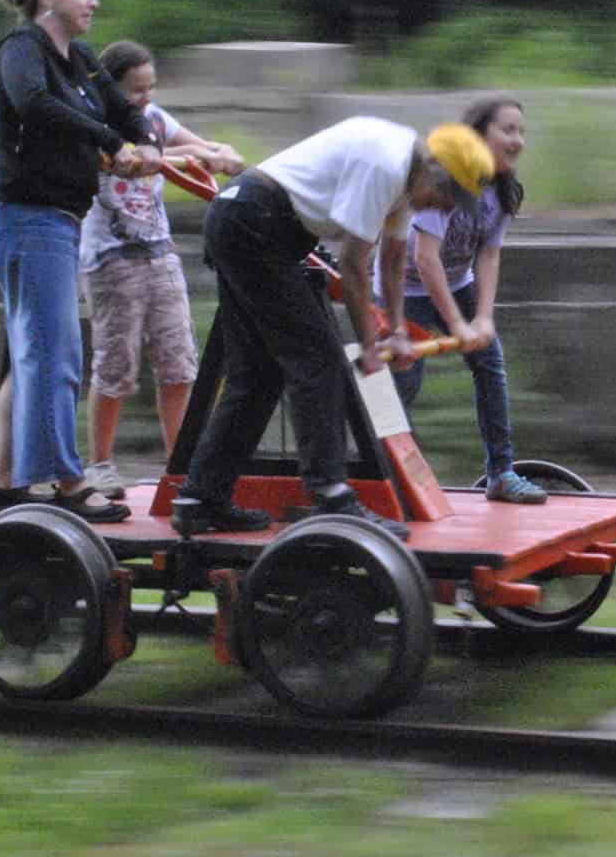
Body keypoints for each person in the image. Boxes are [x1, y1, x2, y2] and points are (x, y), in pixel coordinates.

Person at [169, 117, 495, 540]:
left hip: (247, 221)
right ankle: (332, 494)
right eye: (448, 198)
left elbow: (393, 260)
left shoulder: (405, 174)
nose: (444, 210)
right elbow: (355, 266)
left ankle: (200, 498)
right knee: (319, 362)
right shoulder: (385, 166)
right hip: (254, 223)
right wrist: (369, 345)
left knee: (257, 374)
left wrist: (394, 330)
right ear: (434, 172)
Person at [0, 0, 160, 523]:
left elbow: (124, 110)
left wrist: (142, 142)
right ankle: (67, 483)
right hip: (28, 217)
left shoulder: (81, 58)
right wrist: (112, 141)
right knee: (56, 352)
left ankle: (3, 486)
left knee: (29, 354)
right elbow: (35, 105)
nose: (94, 2)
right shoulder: (21, 52)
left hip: (59, 219)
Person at [77, 39, 245, 500]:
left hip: (159, 251)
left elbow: (193, 145)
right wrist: (198, 158)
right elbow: (137, 163)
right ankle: (101, 465)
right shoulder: (92, 123)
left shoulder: (154, 119)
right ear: (112, 88)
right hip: (112, 257)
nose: (145, 98)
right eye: (135, 90)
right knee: (116, 366)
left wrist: (221, 150)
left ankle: (182, 464)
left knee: (179, 363)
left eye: (150, 88)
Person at [380, 98, 545, 503]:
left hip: (458, 283)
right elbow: (424, 257)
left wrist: (483, 318)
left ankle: (501, 474)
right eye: (507, 130)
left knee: (490, 364)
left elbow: (489, 254)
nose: (517, 140)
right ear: (479, 134)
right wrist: (457, 324)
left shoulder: (502, 190)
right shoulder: (446, 179)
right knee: (402, 382)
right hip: (406, 289)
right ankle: (395, 483)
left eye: (521, 131)